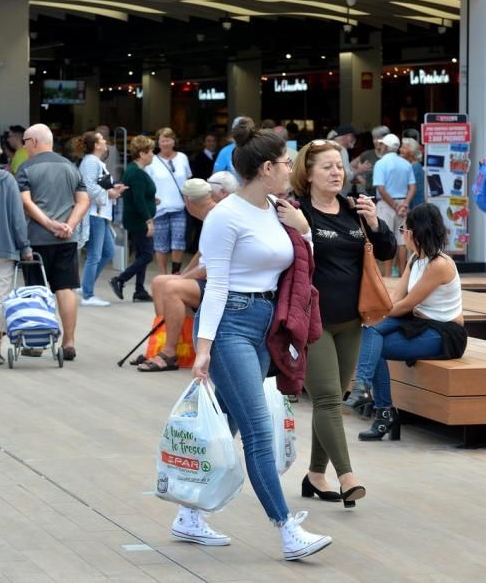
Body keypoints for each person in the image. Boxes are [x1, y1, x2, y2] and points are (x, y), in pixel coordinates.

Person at [177, 120, 332, 561]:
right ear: (266, 167)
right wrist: (204, 347)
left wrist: (302, 230)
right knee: (258, 433)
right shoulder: (225, 217)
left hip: (268, 325)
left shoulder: (276, 207)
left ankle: (188, 514)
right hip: (232, 327)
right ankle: (286, 530)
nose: (290, 169)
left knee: (227, 424)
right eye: (286, 162)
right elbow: (217, 286)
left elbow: (300, 266)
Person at [290, 139, 396, 508]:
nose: (337, 172)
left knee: (331, 400)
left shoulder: (352, 210)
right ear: (308, 173)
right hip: (312, 319)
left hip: (352, 320)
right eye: (328, 167)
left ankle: (315, 475)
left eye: (340, 166)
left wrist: (374, 222)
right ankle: (346, 474)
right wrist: (301, 228)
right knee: (329, 398)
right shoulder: (296, 210)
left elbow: (386, 252)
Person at [344, 203, 466, 441]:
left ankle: (379, 408)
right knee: (370, 331)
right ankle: (371, 398)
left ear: (414, 233)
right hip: (417, 322)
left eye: (404, 230)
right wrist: (375, 315)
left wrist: (379, 314)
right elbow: (395, 298)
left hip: (444, 334)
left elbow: (407, 303)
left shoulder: (439, 265)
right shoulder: (414, 259)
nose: (403, 235)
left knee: (374, 341)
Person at [16, 124, 89, 361]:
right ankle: (69, 342)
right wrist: (69, 225)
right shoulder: (70, 167)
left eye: (25, 140)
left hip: (37, 238)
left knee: (36, 290)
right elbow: (83, 201)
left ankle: (37, 343)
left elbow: (25, 202)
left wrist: (49, 224)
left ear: (34, 142)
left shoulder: (26, 168)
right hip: (67, 239)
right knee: (65, 288)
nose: (23, 145)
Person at [136, 178, 217, 372]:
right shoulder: (210, 216)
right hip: (208, 278)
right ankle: (163, 342)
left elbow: (213, 267)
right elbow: (202, 254)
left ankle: (170, 352)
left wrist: (184, 278)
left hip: (219, 283)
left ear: (188, 201)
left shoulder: (216, 218)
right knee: (159, 282)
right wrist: (186, 273)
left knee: (172, 287)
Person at [76, 131, 126, 306]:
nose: (105, 142)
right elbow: (89, 187)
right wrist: (109, 193)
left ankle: (86, 287)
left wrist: (111, 190)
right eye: (102, 140)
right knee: (95, 254)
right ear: (96, 145)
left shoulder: (94, 162)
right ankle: (87, 294)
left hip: (100, 213)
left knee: (107, 252)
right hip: (95, 213)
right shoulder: (91, 162)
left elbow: (95, 185)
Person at [110, 136, 156, 303]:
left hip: (135, 218)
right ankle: (120, 279)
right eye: (151, 151)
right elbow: (138, 199)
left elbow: (139, 195)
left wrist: (152, 200)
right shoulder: (136, 173)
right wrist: (148, 220)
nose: (153, 154)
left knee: (141, 254)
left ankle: (139, 289)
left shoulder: (133, 169)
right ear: (142, 154)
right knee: (147, 255)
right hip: (139, 220)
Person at [0, 144, 33, 363]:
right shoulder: (6, 180)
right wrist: (25, 246)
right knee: (0, 297)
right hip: (3, 248)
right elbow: (16, 217)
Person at [145, 127, 192, 275]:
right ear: (157, 142)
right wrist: (150, 198)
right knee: (161, 244)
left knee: (178, 242)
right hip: (159, 208)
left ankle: (176, 272)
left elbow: (188, 179)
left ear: (174, 141)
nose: (166, 143)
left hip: (179, 207)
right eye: (162, 140)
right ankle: (163, 274)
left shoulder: (182, 157)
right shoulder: (152, 160)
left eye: (168, 139)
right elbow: (146, 184)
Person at [373, 133, 416, 276]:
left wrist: (394, 205)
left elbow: (381, 188)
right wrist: (404, 204)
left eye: (382, 144)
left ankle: (387, 275)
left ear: (385, 146)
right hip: (403, 203)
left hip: (386, 205)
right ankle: (403, 274)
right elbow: (412, 187)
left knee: (386, 239)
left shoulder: (380, 163)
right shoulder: (406, 163)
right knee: (402, 240)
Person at [333, 124, 372, 196]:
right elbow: (346, 176)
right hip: (337, 195)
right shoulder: (341, 150)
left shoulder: (333, 147)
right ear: (347, 136)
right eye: (353, 136)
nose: (355, 139)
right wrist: (359, 171)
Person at [358, 125, 390, 197]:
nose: (375, 141)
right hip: (370, 195)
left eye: (378, 138)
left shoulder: (392, 155)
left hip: (390, 195)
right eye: (374, 138)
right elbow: (352, 167)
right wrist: (364, 181)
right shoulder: (367, 155)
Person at [400, 137, 425, 209]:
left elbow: (408, 188)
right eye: (401, 147)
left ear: (412, 152)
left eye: (404, 148)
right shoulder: (409, 165)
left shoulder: (415, 167)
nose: (400, 150)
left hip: (416, 205)